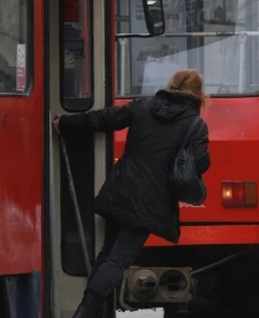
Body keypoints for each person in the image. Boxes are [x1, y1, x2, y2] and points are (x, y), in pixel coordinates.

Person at [53, 68, 211, 318]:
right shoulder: (195, 124)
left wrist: (66, 123)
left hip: (121, 187)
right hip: (150, 199)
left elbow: (104, 119)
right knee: (118, 259)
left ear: (170, 84)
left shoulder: (144, 106)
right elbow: (200, 164)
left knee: (107, 254)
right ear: (199, 94)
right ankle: (85, 312)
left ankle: (90, 311)